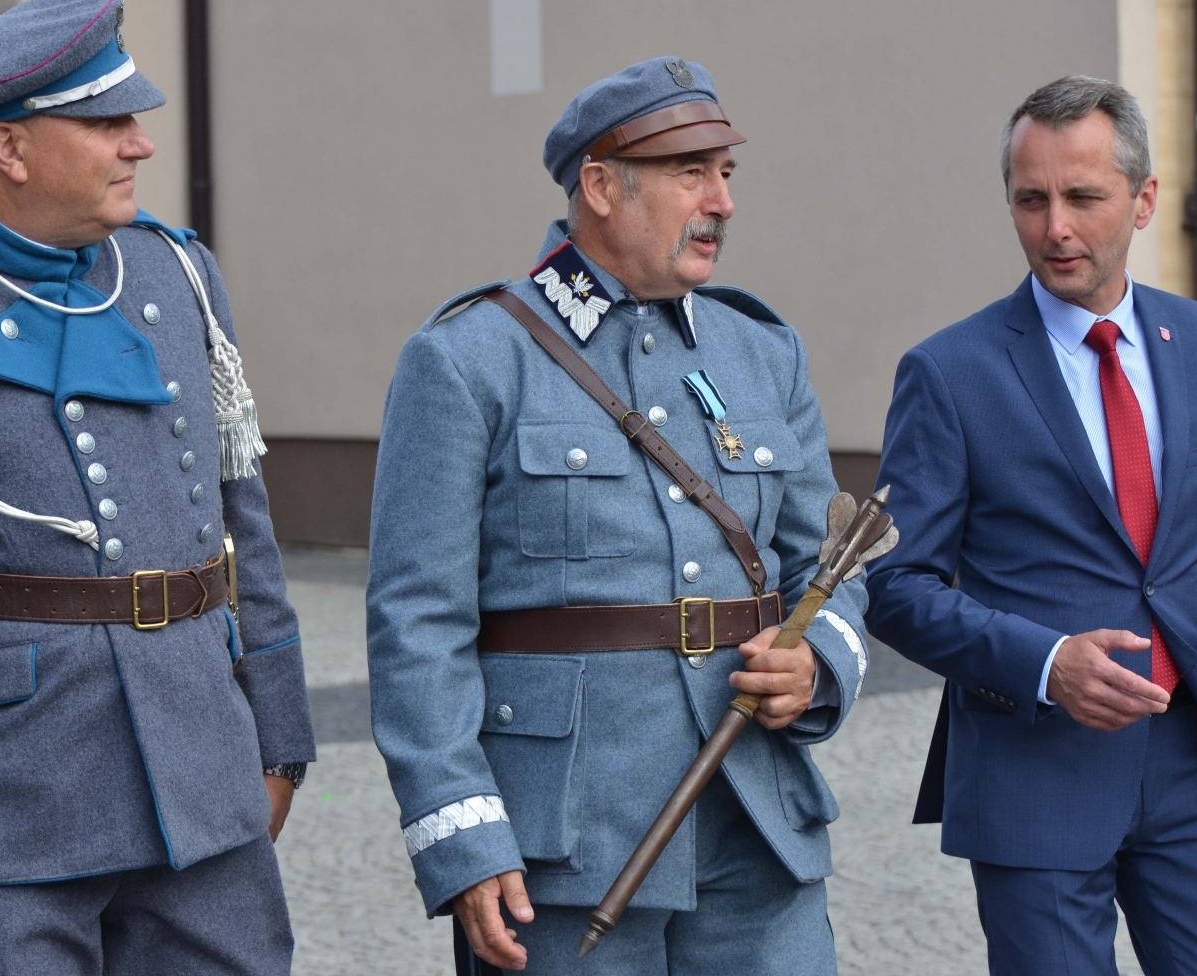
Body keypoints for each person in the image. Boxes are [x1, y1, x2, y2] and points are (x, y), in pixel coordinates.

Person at [366, 57, 868, 975]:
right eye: (690, 174)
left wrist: (816, 665)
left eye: (725, 173)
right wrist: (464, 838)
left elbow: (827, 566)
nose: (720, 201)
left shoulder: (762, 352)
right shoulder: (469, 359)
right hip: (563, 848)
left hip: (755, 825)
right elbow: (417, 625)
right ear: (599, 186)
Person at [0, 0, 313, 976]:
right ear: (12, 150)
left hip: (202, 794)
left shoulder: (178, 275)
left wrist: (279, 742)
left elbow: (245, 518)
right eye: (106, 124)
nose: (138, 146)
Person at [866, 76, 1197, 975]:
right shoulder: (948, 371)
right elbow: (893, 588)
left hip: (1193, 757)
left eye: (1082, 198)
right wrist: (1045, 664)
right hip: (1032, 771)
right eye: (1030, 200)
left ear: (1144, 199)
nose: (1055, 228)